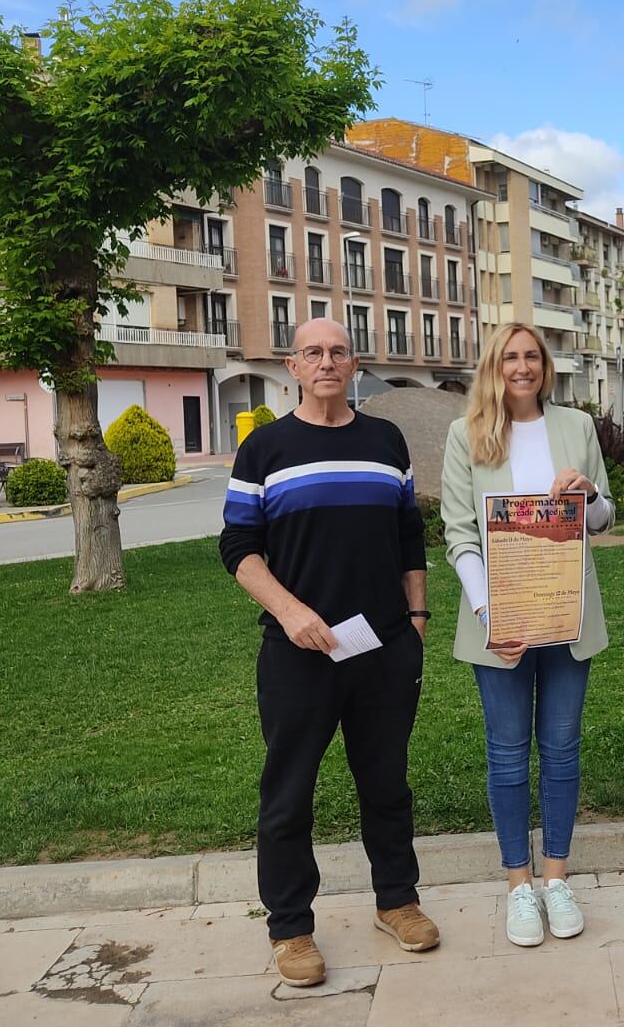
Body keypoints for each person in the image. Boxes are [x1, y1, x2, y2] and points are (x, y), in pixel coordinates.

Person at [219, 317, 439, 989]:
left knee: (386, 785)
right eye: (313, 351)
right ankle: (290, 929)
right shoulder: (265, 449)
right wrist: (290, 613)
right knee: (288, 795)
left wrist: (419, 615)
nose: (327, 361)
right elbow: (238, 548)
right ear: (292, 365)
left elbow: (408, 536)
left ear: (354, 363)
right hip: (298, 654)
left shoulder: (385, 441)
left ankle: (397, 902)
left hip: (383, 649)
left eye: (338, 351)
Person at [440, 322, 615, 947]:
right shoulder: (467, 435)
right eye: (510, 357)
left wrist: (590, 493)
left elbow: (602, 517)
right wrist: (493, 616)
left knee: (563, 749)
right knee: (509, 753)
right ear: (495, 365)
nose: (522, 367)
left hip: (566, 618)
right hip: (500, 625)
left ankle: (557, 877)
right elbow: (459, 534)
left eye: (531, 356)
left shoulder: (577, 427)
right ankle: (518, 885)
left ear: (545, 366)